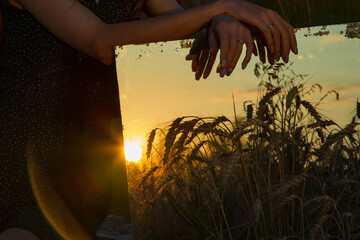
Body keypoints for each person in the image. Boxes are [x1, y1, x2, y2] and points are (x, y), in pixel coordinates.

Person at [0, 0, 297, 239]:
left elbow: (187, 27)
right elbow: (100, 41)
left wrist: (219, 23)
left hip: (85, 174)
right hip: (23, 170)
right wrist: (222, 8)